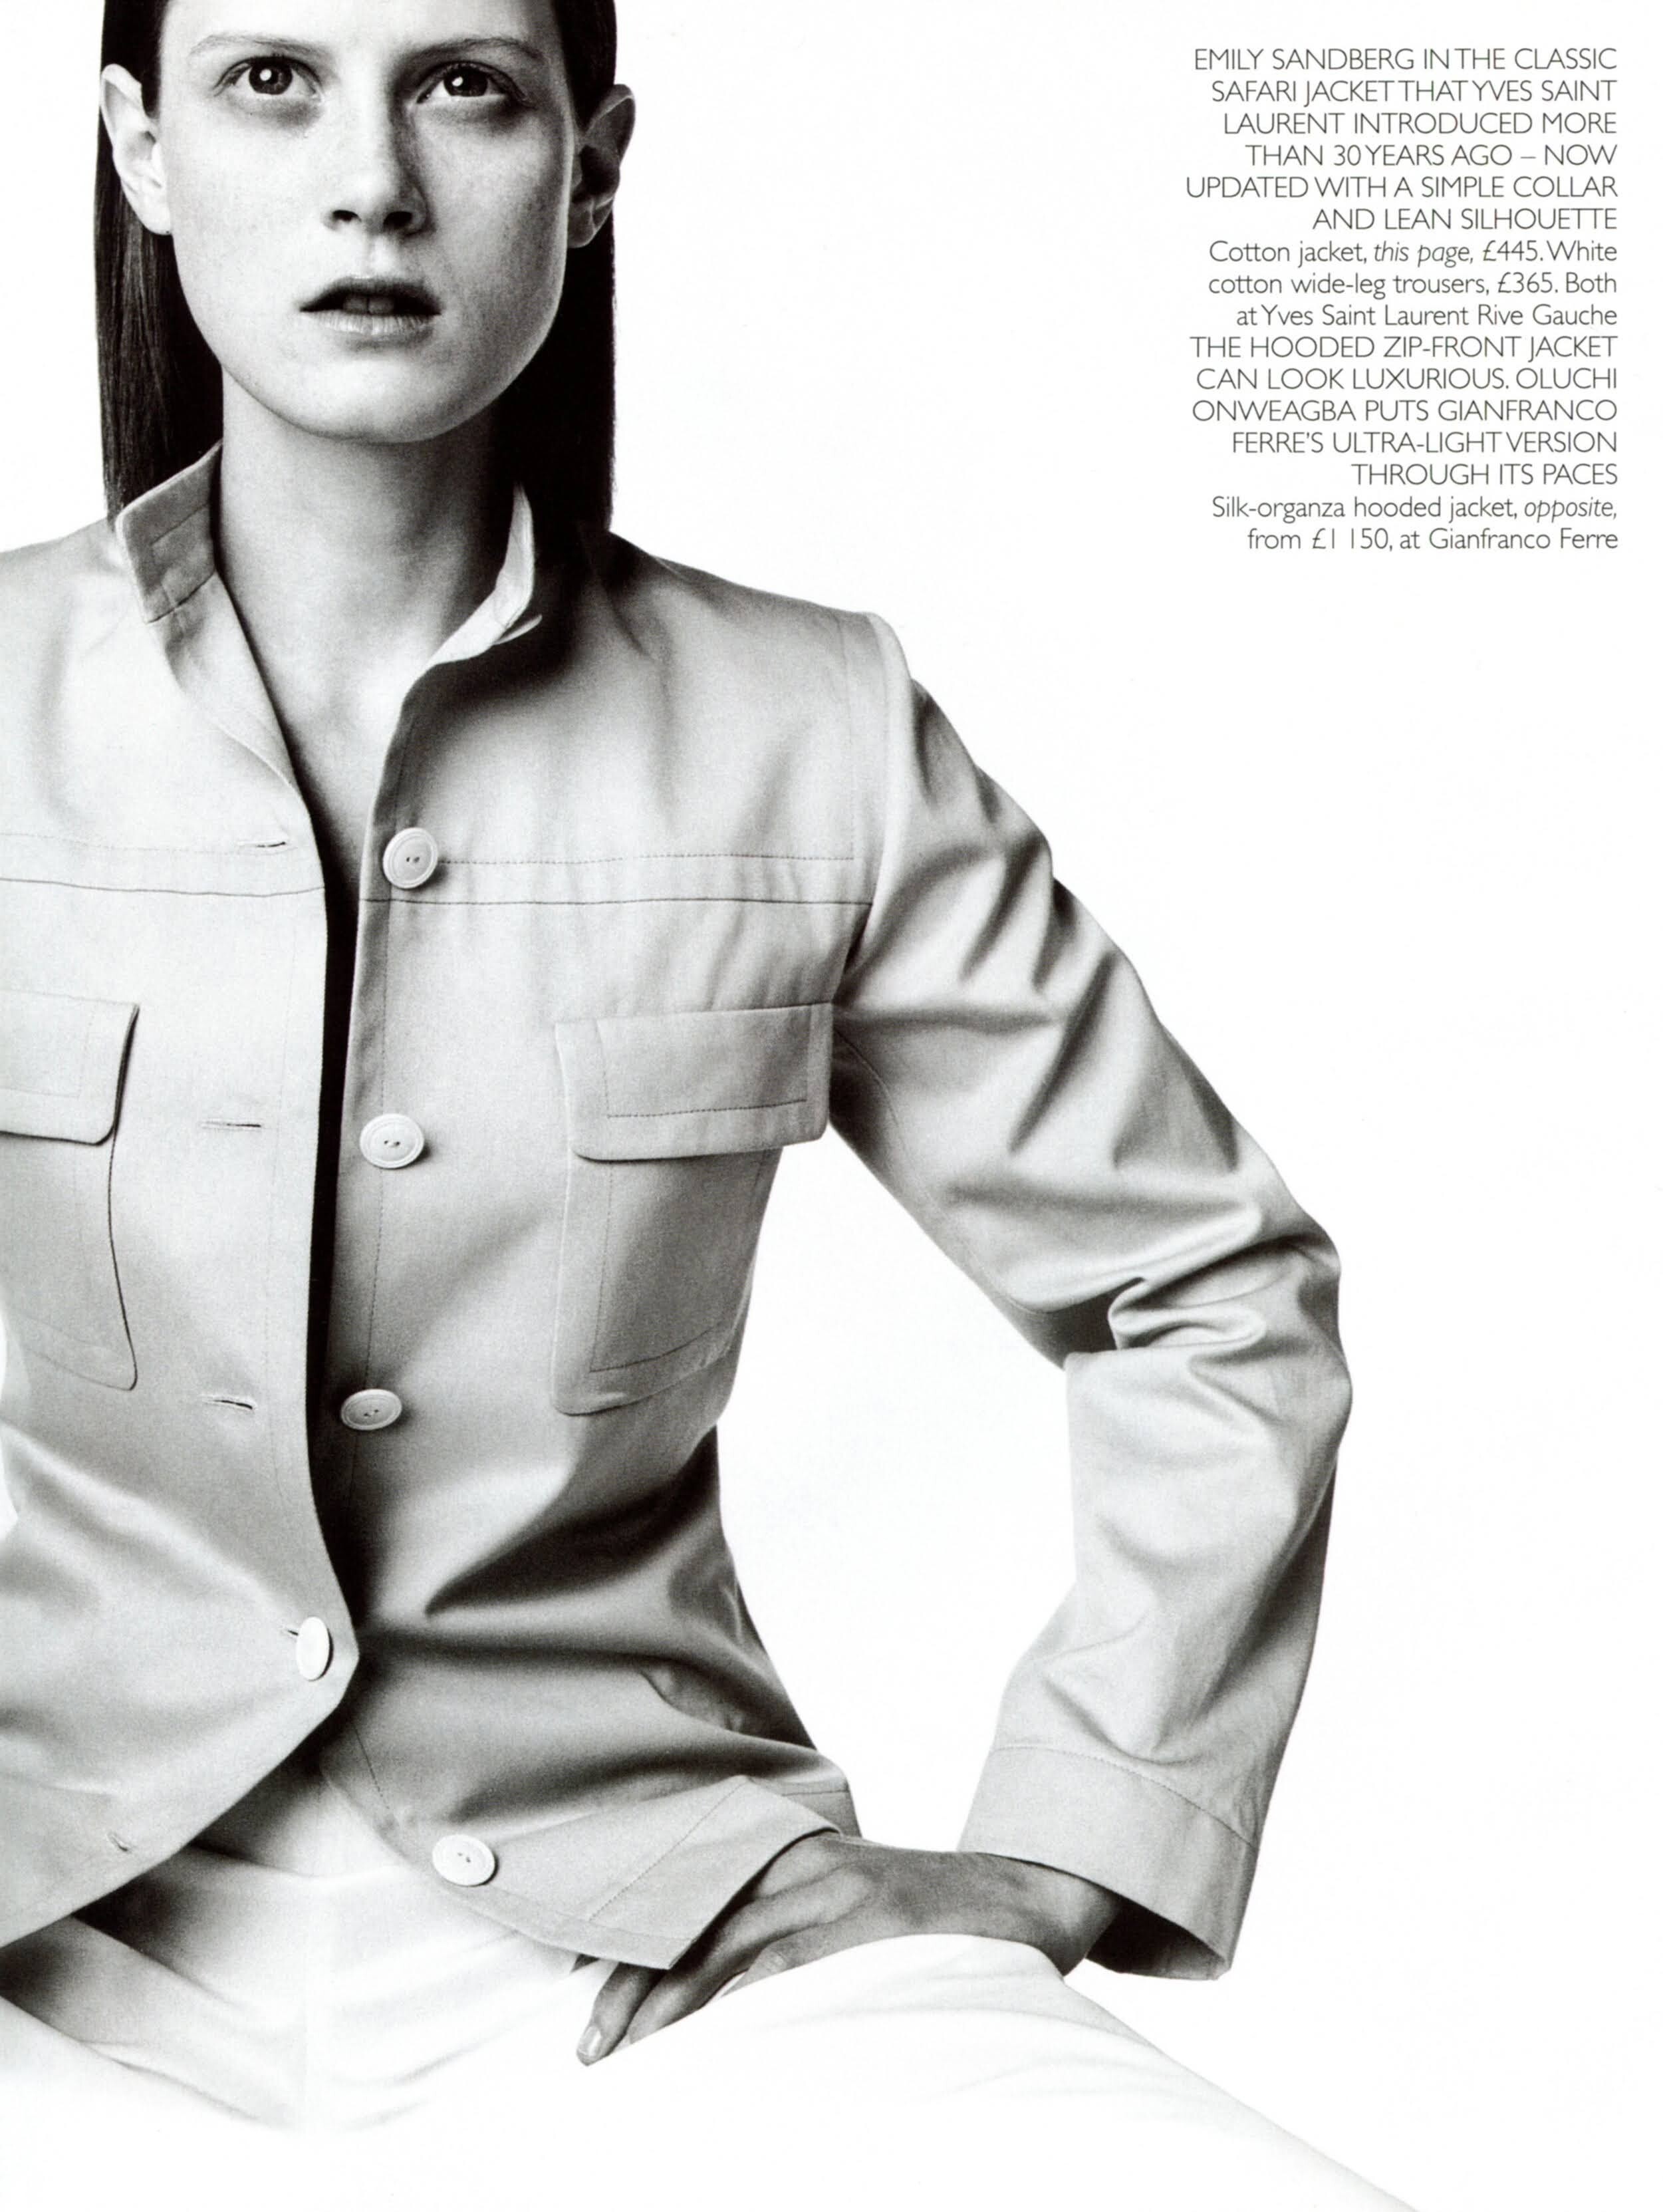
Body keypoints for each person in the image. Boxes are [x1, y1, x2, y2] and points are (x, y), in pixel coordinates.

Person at [0, 2, 1408, 2204]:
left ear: (591, 162)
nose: (371, 181)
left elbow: (1206, 1293)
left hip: (642, 1945)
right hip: (48, 1929)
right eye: (272, 79)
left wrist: (1069, 1848)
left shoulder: (810, 729)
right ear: (140, 150)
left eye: (464, 85)